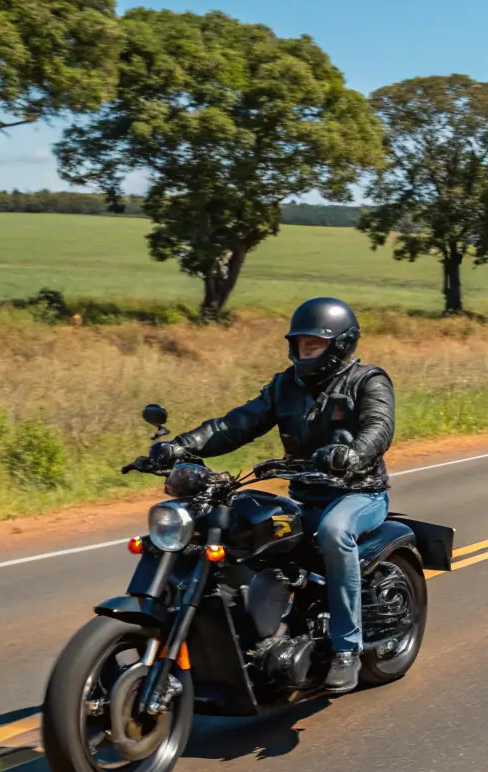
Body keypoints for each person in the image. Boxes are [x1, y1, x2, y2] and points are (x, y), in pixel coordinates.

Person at [148, 297, 394, 696]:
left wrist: (352, 454)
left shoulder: (368, 381)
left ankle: (345, 649)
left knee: (333, 533)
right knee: (238, 527)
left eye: (314, 345)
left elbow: (378, 426)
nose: (304, 352)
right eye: (300, 345)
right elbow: (237, 424)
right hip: (304, 494)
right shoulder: (286, 385)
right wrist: (181, 445)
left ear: (339, 345)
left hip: (358, 493)